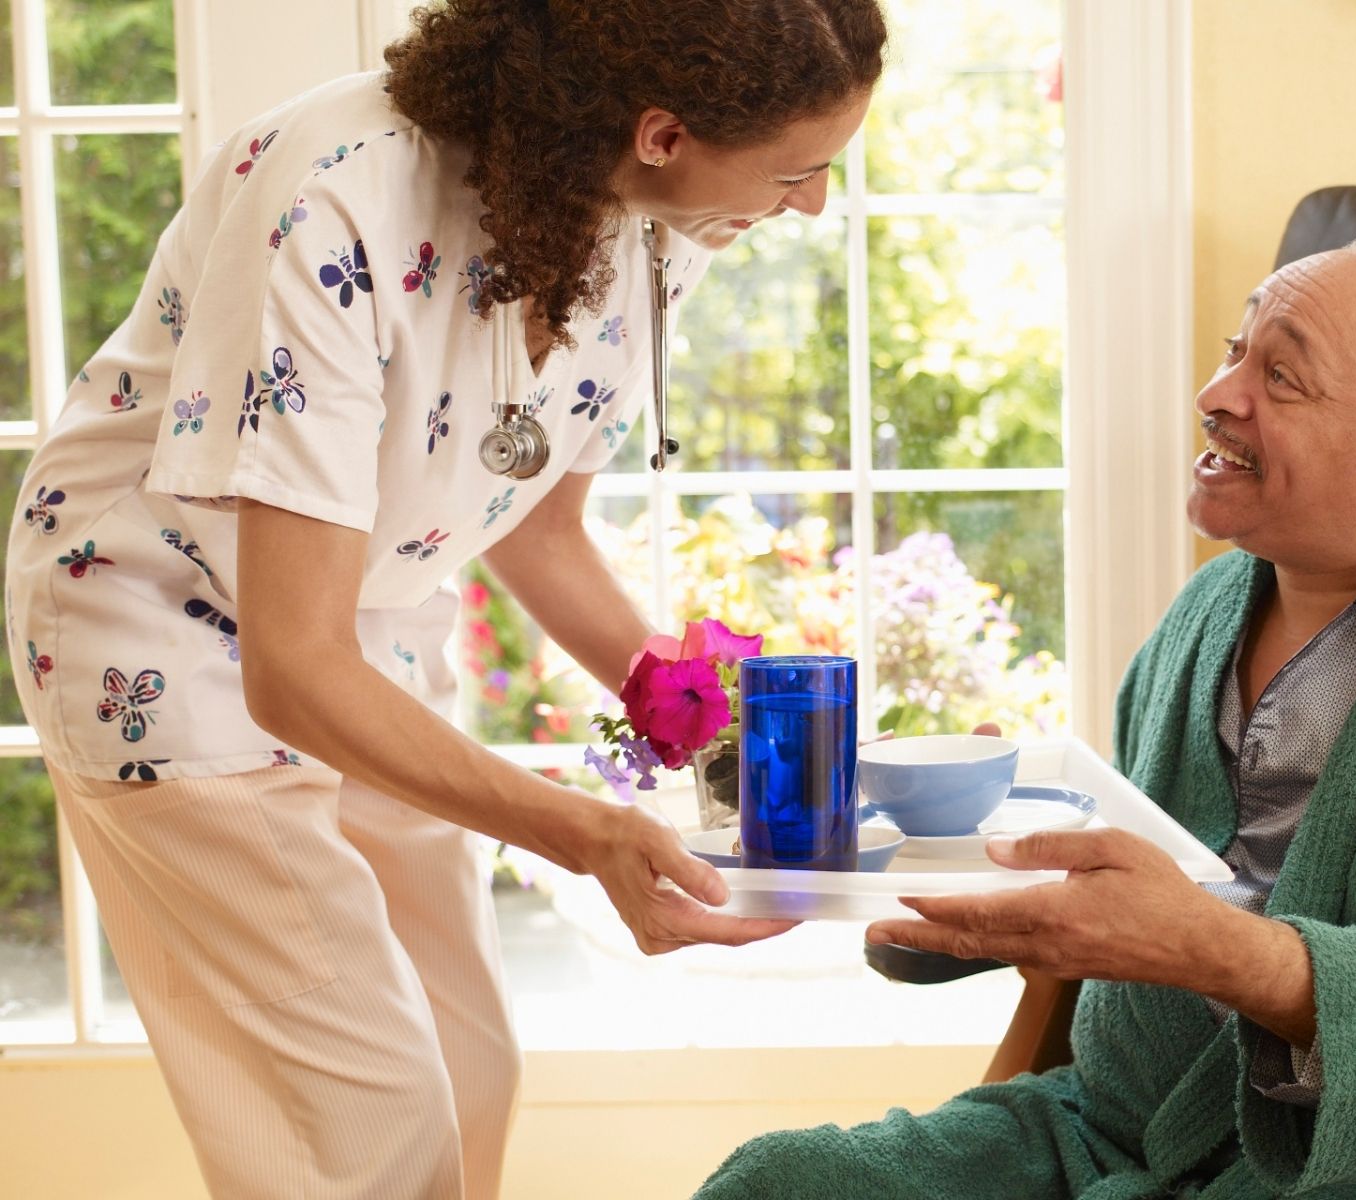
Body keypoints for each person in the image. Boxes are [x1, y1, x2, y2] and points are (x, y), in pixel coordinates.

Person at [3, 2, 885, 1196]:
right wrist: (584, 836)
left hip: (364, 620)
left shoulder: (654, 221)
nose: (812, 205)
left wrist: (704, 717)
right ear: (664, 131)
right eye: (799, 172)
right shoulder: (335, 196)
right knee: (365, 1130)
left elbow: (539, 531)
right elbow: (290, 664)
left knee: (469, 1070)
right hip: (160, 627)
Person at [694, 238, 1356, 1200]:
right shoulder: (1203, 618)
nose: (1217, 396)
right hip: (1123, 1134)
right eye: (1233, 350)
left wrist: (1218, 951)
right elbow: (1128, 895)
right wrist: (966, 893)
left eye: (1283, 378)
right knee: (776, 1183)